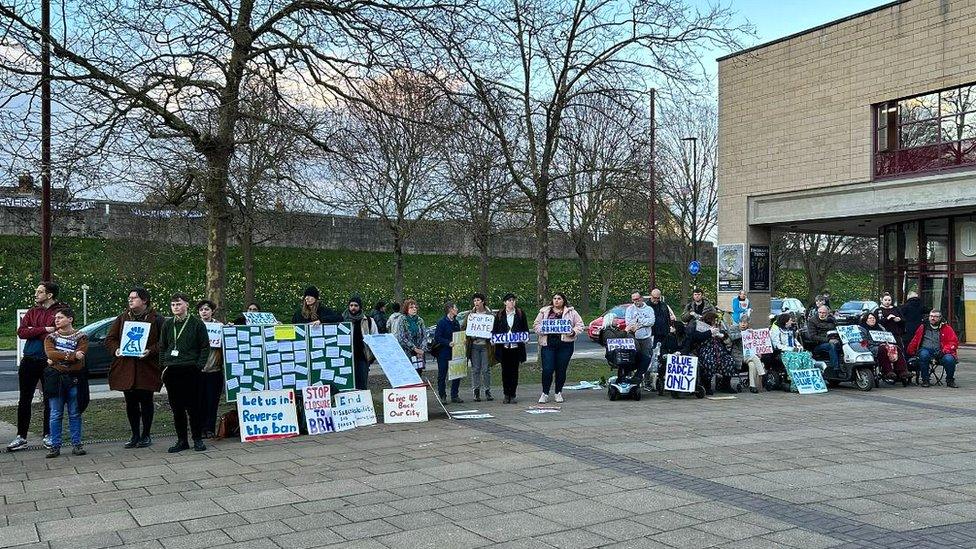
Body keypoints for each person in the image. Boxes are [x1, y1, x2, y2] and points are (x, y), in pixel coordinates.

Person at [7, 281, 66, 451]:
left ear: (49, 295)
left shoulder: (58, 312)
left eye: (40, 292)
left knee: (49, 398)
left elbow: (54, 333)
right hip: (29, 359)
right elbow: (22, 331)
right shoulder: (33, 311)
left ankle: (48, 434)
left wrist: (35, 329)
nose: (36, 294)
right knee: (24, 399)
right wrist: (42, 329)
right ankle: (21, 436)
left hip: (48, 360)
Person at [106, 287, 163, 449]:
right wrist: (116, 349)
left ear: (144, 300)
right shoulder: (122, 318)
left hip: (147, 368)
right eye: (129, 297)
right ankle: (134, 435)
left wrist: (150, 351)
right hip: (126, 367)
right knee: (130, 402)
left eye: (134, 297)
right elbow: (110, 339)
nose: (130, 300)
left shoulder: (157, 319)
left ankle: (146, 435)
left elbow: (164, 342)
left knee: (146, 401)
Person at [159, 293, 210, 453]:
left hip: (191, 369)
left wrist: (199, 366)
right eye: (173, 305)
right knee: (177, 409)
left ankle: (197, 439)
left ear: (186, 305)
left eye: (179, 304)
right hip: (172, 370)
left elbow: (205, 347)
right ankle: (182, 440)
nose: (176, 307)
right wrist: (163, 366)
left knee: (194, 407)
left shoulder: (196, 324)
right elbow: (162, 346)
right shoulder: (168, 325)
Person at [42, 308, 89, 458]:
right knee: (55, 414)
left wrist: (59, 359)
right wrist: (72, 355)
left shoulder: (81, 336)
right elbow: (50, 354)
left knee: (75, 413)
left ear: (70, 319)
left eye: (60, 317)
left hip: (74, 379)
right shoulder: (50, 337)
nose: (56, 320)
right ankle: (55, 446)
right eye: (55, 318)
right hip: (55, 380)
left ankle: (77, 444)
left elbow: (80, 361)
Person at [533, 293, 584, 404]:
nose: (556, 301)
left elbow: (580, 325)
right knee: (547, 369)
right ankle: (545, 393)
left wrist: (573, 332)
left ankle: (558, 392)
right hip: (548, 344)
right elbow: (536, 325)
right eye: (555, 298)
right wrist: (542, 330)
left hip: (565, 345)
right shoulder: (544, 311)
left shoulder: (571, 312)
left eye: (559, 299)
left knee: (561, 369)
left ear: (563, 300)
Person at [907, 310, 959, 388]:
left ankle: (950, 380)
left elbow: (953, 342)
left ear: (940, 318)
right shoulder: (923, 327)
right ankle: (925, 380)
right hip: (925, 350)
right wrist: (910, 352)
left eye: (935, 316)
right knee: (924, 355)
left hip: (941, 352)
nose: (932, 318)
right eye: (931, 316)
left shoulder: (947, 328)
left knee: (949, 359)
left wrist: (944, 351)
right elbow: (915, 339)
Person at [492, 293, 529, 404]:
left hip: (515, 347)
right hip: (504, 348)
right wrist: (494, 339)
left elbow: (525, 329)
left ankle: (512, 394)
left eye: (513, 300)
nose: (511, 302)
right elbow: (495, 329)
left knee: (514, 372)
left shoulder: (520, 314)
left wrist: (525, 337)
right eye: (509, 300)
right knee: (505, 372)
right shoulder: (499, 315)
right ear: (505, 302)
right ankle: (506, 394)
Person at [196, 299, 223, 439]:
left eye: (206, 309)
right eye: (201, 310)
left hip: (214, 370)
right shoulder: (195, 326)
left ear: (212, 311)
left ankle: (210, 428)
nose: (204, 312)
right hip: (199, 371)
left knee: (212, 402)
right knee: (199, 402)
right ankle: (199, 429)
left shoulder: (220, 326)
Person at [859, 312, 909, 383]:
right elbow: (863, 342)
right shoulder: (862, 328)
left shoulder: (879, 326)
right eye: (870, 318)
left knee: (896, 347)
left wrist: (889, 343)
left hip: (884, 345)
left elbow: (887, 336)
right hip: (872, 347)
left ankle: (902, 371)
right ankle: (887, 371)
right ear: (866, 320)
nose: (873, 320)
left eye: (874, 318)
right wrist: (878, 344)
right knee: (883, 349)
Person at [462, 293, 494, 402]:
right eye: (474, 300)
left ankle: (487, 390)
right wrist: (468, 335)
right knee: (475, 369)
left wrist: (491, 336)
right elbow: (463, 327)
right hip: (474, 345)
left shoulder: (490, 315)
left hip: (485, 346)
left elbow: (495, 329)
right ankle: (476, 391)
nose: (476, 302)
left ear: (483, 301)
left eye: (478, 300)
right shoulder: (470, 315)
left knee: (486, 369)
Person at [344, 296, 379, 390]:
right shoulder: (342, 319)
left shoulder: (368, 320)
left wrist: (371, 357)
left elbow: (375, 337)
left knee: (362, 384)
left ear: (360, 307)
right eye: (351, 305)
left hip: (362, 357)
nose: (353, 308)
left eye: (356, 305)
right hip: (346, 358)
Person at [434, 301, 463, 403]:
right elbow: (437, 337)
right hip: (443, 352)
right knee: (442, 374)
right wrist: (447, 342)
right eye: (455, 308)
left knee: (457, 373)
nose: (457, 310)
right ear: (450, 309)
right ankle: (442, 395)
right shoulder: (442, 322)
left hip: (455, 352)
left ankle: (454, 395)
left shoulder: (456, 322)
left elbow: (458, 334)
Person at [728, 315, 766, 393]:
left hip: (749, 354)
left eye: (745, 323)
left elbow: (755, 344)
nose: (743, 324)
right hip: (738, 355)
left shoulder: (750, 330)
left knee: (752, 364)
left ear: (748, 323)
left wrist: (758, 351)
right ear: (738, 323)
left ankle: (752, 386)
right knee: (754, 358)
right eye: (741, 322)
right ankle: (762, 374)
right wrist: (743, 333)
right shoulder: (733, 329)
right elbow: (732, 337)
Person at [806, 305, 842, 372]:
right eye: (820, 312)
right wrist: (828, 340)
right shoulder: (812, 321)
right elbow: (812, 336)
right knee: (831, 345)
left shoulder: (832, 320)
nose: (821, 314)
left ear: (828, 313)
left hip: (834, 340)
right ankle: (835, 369)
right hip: (818, 345)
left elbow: (839, 329)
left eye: (824, 313)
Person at [396, 299, 426, 374]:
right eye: (411, 307)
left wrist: (421, 349)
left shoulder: (420, 320)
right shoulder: (402, 319)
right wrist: (414, 348)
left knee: (419, 374)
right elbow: (401, 338)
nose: (414, 309)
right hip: (407, 353)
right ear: (406, 309)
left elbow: (424, 336)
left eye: (415, 307)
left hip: (419, 354)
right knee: (409, 375)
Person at [625, 290, 656, 362]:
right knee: (634, 360)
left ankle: (644, 373)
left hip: (646, 339)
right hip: (633, 339)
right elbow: (629, 323)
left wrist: (638, 323)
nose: (635, 301)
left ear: (641, 298)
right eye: (633, 300)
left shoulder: (649, 309)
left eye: (637, 299)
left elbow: (651, 322)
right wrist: (645, 322)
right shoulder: (630, 309)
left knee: (646, 359)